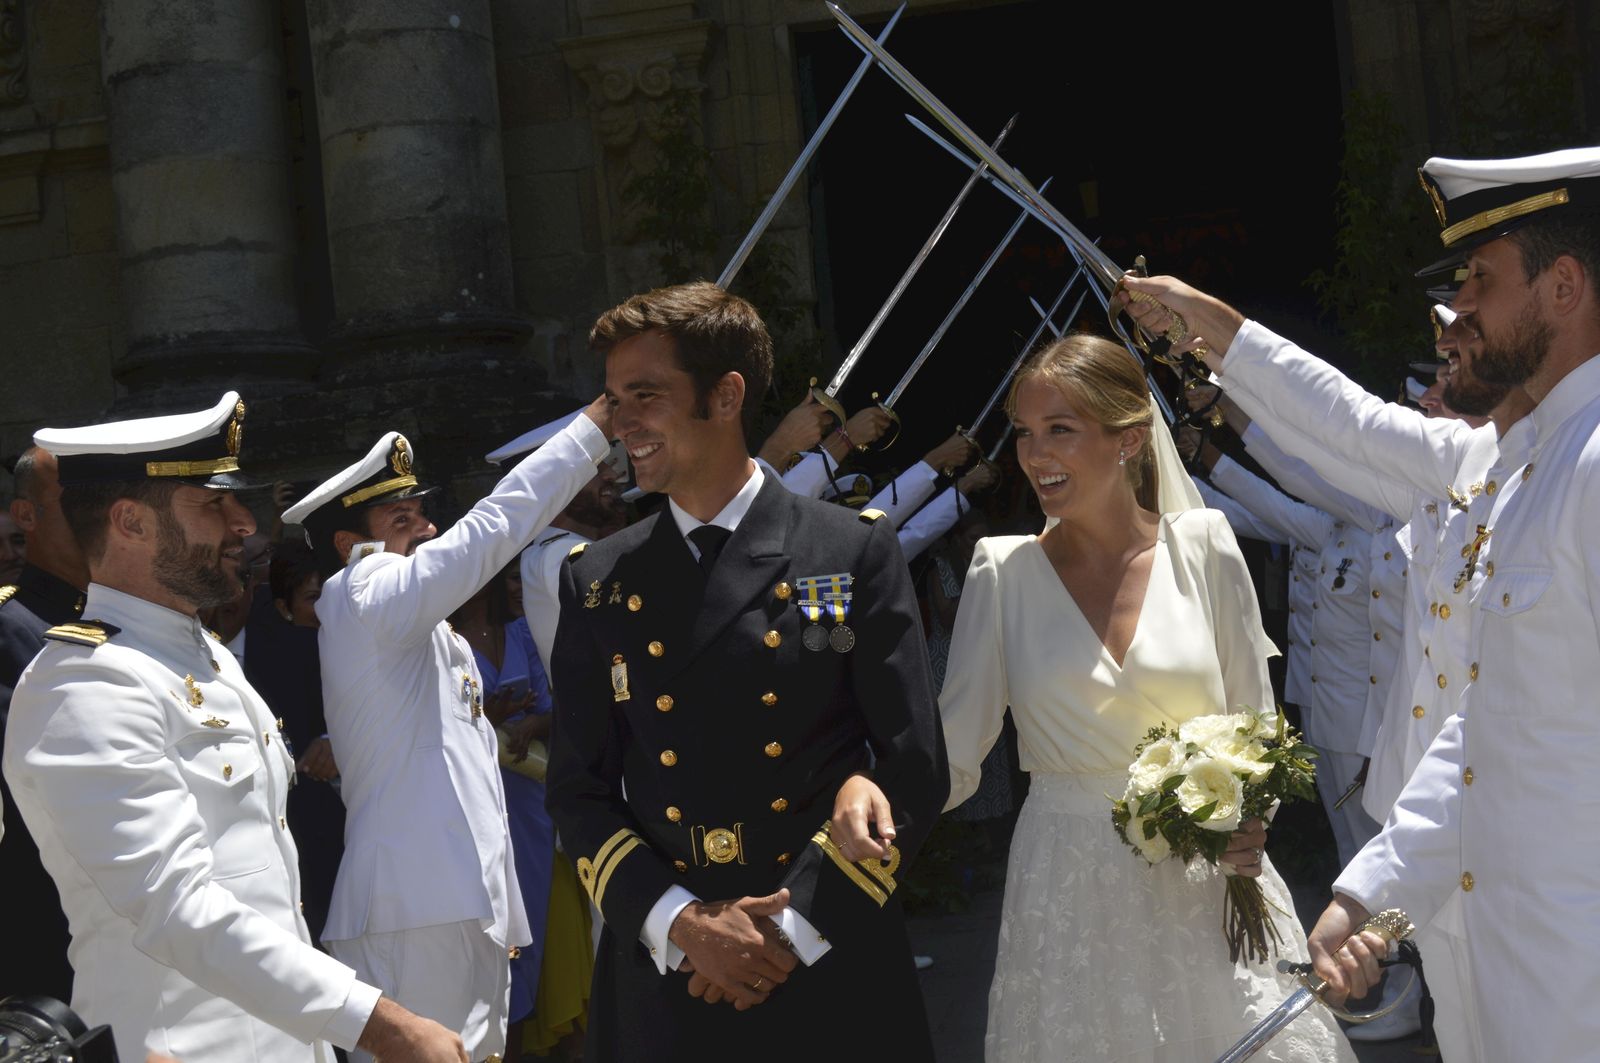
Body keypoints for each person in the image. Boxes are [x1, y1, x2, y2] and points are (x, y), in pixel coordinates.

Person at [1119, 147, 1600, 1062]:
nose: (1465, 311)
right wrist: (1367, 893)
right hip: (1499, 939)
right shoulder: (1530, 465)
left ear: (1565, 285)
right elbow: (1488, 729)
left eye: (1484, 281)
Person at [544, 281, 948, 1063]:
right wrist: (685, 925)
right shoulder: (598, 576)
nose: (621, 423)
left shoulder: (849, 550)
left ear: (725, 395)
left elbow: (915, 765)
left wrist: (783, 934)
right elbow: (578, 790)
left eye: (645, 395)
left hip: (827, 957)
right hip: (673, 971)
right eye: (615, 399)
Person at [2, 392, 467, 1063]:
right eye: (212, 503)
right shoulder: (84, 683)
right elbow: (177, 906)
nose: (244, 524)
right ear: (130, 521)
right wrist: (380, 1021)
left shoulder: (202, 650)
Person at [930, 335, 1353, 1062]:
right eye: (1025, 434)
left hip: (1211, 881)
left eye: (1060, 429)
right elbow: (947, 758)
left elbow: (1258, 728)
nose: (1035, 455)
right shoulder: (1000, 574)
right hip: (1070, 890)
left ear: (1129, 439)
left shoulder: (1206, 546)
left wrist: (1252, 819)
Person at [282, 400, 613, 1063]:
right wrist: (590, 433)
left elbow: (470, 771)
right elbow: (485, 532)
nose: (429, 527)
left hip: (461, 900)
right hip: (413, 909)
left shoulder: (431, 632)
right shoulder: (359, 591)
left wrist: (503, 904)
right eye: (401, 518)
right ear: (352, 546)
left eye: (423, 511)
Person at [0, 445, 88, 1002]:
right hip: (50, 910)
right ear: (27, 515)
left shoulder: (113, 617)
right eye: (70, 506)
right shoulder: (12, 627)